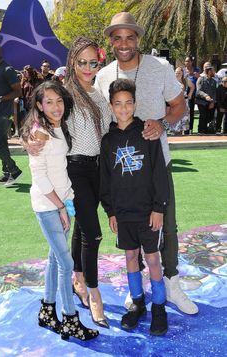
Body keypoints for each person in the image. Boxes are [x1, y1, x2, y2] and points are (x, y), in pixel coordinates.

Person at [95, 11, 198, 314]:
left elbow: (179, 106)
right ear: (111, 42)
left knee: (167, 224)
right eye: (117, 37)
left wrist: (162, 124)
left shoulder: (159, 68)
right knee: (128, 227)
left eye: (130, 37)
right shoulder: (103, 76)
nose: (124, 43)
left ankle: (171, 281)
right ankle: (138, 286)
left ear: (138, 39)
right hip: (121, 169)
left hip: (155, 164)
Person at [24, 37, 112, 328]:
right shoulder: (67, 94)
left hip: (99, 169)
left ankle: (77, 276)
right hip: (76, 170)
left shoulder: (100, 93)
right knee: (94, 234)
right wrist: (28, 138)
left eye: (93, 62)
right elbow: (41, 116)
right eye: (82, 62)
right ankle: (93, 294)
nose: (88, 68)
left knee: (82, 231)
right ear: (72, 61)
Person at [21, 81, 99, 341]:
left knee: (56, 258)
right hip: (48, 205)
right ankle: (70, 320)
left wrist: (67, 203)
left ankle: (47, 309)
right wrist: (60, 208)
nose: (56, 107)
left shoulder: (58, 127)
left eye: (59, 101)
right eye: (49, 102)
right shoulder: (40, 133)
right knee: (66, 263)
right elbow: (40, 178)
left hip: (63, 202)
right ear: (40, 106)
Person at [100, 78, 169, 335]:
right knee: (130, 256)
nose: (124, 108)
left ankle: (159, 308)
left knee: (152, 258)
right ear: (111, 106)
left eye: (128, 103)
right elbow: (105, 180)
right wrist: (111, 211)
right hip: (123, 213)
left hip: (148, 212)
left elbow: (159, 174)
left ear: (135, 104)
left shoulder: (148, 134)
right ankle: (138, 304)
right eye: (118, 104)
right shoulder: (108, 141)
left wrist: (159, 207)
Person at [0, 40, 23, 186]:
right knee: (1, 142)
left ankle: (14, 170)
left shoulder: (7, 69)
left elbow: (18, 91)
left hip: (2, 112)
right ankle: (6, 173)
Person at [196, 65, 217, 135]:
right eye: (213, 71)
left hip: (210, 101)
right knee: (203, 115)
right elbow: (198, 91)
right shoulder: (200, 79)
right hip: (201, 101)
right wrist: (206, 96)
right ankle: (201, 131)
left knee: (209, 117)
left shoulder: (214, 81)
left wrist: (212, 101)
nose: (214, 72)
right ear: (209, 71)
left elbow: (214, 92)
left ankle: (206, 131)